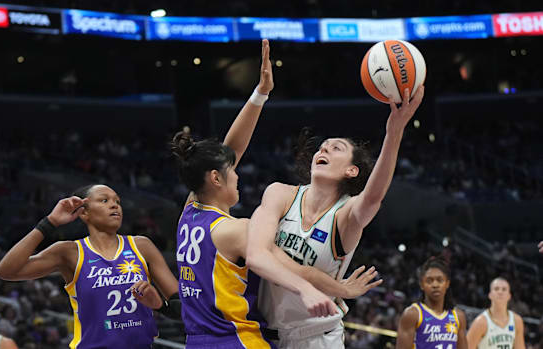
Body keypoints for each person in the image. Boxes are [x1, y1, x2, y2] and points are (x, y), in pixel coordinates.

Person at [171, 39, 381, 349]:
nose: (239, 173)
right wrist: (336, 289)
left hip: (198, 340)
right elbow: (294, 268)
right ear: (215, 179)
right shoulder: (239, 230)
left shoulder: (189, 212)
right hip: (237, 339)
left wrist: (260, 93)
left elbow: (229, 152)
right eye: (231, 172)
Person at [245, 84, 424, 348]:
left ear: (351, 171)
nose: (323, 150)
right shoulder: (280, 194)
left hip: (317, 339)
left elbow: (373, 197)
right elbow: (257, 255)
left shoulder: (345, 215)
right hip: (265, 337)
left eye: (335, 148)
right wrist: (329, 287)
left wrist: (394, 130)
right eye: (322, 148)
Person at [0, 184, 179, 349]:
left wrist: (160, 305)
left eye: (117, 201)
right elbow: (6, 271)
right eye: (104, 200)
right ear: (84, 213)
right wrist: (49, 223)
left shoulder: (141, 246)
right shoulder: (70, 252)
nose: (115, 205)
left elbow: (184, 308)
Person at [396, 256, 467, 349]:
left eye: (440, 280)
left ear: (447, 283)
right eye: (429, 281)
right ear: (422, 284)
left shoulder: (458, 316)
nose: (435, 285)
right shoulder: (412, 314)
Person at [466, 277, 525, 349]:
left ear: (509, 296)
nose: (500, 292)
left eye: (504, 289)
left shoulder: (517, 321)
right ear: (490, 295)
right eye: (496, 289)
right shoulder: (480, 322)